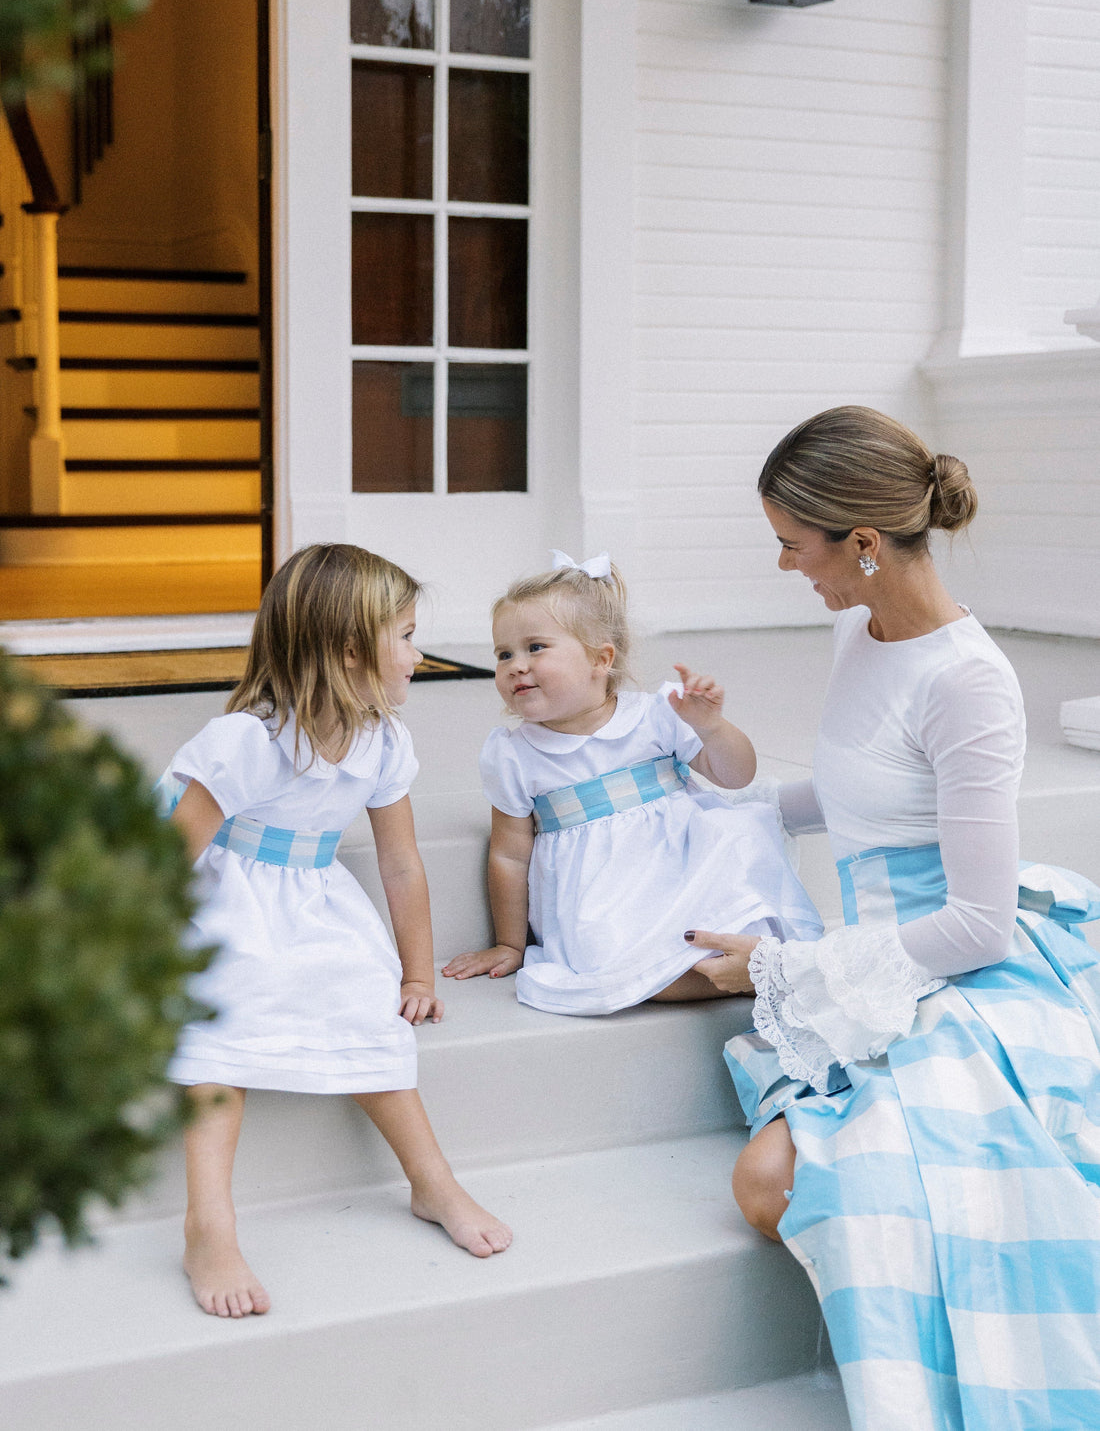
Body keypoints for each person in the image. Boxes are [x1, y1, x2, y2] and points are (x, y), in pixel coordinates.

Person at [686, 407, 1100, 1430]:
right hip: (866, 963)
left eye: (792, 542)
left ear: (861, 544)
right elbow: (857, 792)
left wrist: (779, 970)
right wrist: (709, 813)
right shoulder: (857, 630)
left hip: (949, 971)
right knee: (774, 1184)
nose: (784, 564)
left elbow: (976, 928)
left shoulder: (969, 683)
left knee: (770, 1185)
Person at [159, 543, 511, 1320]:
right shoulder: (248, 741)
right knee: (223, 1023)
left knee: (365, 1007)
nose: (420, 656)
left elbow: (402, 865)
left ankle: (432, 1181)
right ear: (352, 650)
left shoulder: (382, 739)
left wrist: (416, 975)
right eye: (408, 637)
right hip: (222, 902)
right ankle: (208, 1221)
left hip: (313, 902)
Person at [442, 551, 822, 1013]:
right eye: (504, 654)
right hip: (604, 900)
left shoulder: (655, 716)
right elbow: (508, 852)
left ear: (601, 659)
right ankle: (755, 978)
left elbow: (737, 775)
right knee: (629, 976)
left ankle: (763, 962)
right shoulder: (513, 754)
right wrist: (510, 944)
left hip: (684, 867)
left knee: (737, 853)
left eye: (535, 648)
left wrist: (712, 727)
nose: (516, 665)